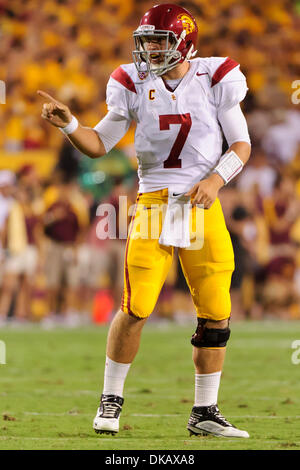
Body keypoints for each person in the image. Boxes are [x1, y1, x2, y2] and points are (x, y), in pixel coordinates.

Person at [38, 4, 251, 438]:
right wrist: (70, 125)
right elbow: (99, 144)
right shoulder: (132, 82)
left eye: (159, 41)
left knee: (216, 311)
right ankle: (111, 399)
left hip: (202, 201)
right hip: (154, 201)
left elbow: (242, 144)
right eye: (146, 41)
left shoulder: (214, 77)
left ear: (184, 41)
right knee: (136, 307)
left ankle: (205, 411)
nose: (151, 50)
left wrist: (215, 178)